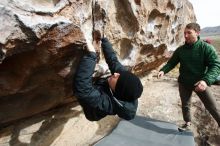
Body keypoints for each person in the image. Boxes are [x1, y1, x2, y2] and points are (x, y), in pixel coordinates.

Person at [157, 23, 220, 130]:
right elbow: (172, 63)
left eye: (189, 33)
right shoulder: (181, 50)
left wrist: (205, 81)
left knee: (213, 107)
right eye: (184, 33)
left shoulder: (206, 48)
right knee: (185, 105)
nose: (185, 35)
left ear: (197, 33)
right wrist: (163, 71)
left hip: (201, 83)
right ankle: (187, 123)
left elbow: (216, 66)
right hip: (184, 83)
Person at [73, 31, 143, 121]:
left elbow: (82, 89)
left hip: (92, 110)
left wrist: (91, 55)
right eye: (119, 74)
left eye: (117, 78)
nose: (115, 74)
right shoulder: (123, 81)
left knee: (86, 96)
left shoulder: (106, 104)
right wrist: (104, 40)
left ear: (117, 90)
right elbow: (113, 61)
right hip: (106, 89)